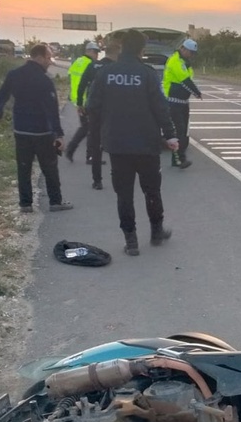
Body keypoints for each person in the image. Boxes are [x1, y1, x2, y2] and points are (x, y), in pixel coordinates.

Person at [87, 29, 180, 256]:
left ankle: (131, 241)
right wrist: (170, 135)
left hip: (117, 145)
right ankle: (156, 233)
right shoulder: (147, 74)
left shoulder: (106, 73)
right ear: (141, 50)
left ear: (121, 47)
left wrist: (102, 130)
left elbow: (92, 107)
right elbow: (161, 107)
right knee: (152, 191)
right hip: (147, 144)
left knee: (124, 194)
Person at [0, 43, 72, 213]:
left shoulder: (14, 75)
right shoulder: (44, 80)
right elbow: (52, 109)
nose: (50, 61)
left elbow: (1, 96)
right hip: (43, 132)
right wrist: (58, 134)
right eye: (48, 58)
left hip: (21, 130)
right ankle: (55, 202)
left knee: (23, 168)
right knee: (49, 168)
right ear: (39, 58)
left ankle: (25, 204)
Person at [76, 36, 119, 190]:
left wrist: (80, 103)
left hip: (94, 109)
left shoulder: (93, 65)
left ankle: (97, 180)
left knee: (96, 144)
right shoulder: (116, 69)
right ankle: (117, 177)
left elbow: (82, 85)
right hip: (112, 111)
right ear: (117, 53)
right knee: (115, 144)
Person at [161, 38, 203, 169]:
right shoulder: (175, 61)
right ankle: (180, 159)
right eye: (190, 52)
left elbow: (187, 79)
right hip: (173, 101)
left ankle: (177, 159)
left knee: (183, 131)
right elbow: (185, 80)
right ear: (183, 49)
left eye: (193, 53)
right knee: (179, 131)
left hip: (183, 102)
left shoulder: (185, 62)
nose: (191, 55)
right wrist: (197, 92)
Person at [64, 42, 102, 164]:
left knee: (88, 127)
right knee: (89, 128)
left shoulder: (77, 61)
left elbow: (70, 77)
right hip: (86, 100)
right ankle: (76, 151)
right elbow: (88, 84)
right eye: (95, 52)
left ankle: (87, 154)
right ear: (88, 51)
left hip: (78, 99)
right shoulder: (89, 64)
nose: (96, 55)